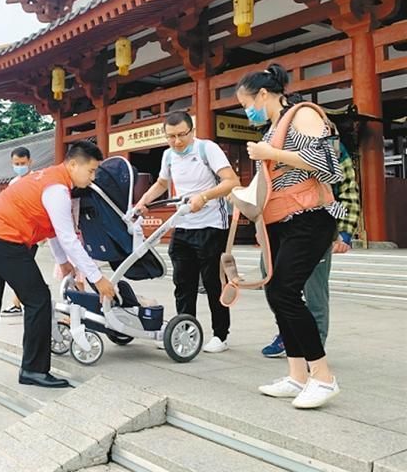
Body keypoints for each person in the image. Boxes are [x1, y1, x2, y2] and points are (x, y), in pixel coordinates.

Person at [0, 141, 116, 402]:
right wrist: (98, 278)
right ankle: (34, 369)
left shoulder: (46, 178)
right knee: (39, 299)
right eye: (90, 171)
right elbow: (68, 237)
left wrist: (63, 262)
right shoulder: (58, 188)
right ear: (73, 164)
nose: (92, 178)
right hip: (2, 240)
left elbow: (53, 230)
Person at [237, 63, 343, 409]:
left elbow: (330, 165)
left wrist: (272, 154)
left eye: (246, 103)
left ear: (264, 94)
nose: (246, 111)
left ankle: (323, 377)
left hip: (310, 217)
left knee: (284, 290)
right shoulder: (272, 129)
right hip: (281, 220)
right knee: (276, 291)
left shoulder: (302, 114)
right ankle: (297, 375)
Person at [134, 111, 239, 353]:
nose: (177, 141)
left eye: (182, 135)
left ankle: (220, 335)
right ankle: (184, 331)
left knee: (213, 282)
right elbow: (162, 183)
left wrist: (203, 197)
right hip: (182, 224)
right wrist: (143, 202)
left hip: (212, 224)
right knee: (183, 283)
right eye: (171, 136)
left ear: (192, 131)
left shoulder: (207, 149)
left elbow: (230, 181)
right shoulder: (168, 155)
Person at [262, 136, 361, 357]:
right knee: (275, 287)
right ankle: (288, 335)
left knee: (314, 291)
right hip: (279, 226)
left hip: (314, 224)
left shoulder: (331, 146)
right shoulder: (276, 140)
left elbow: (348, 189)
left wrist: (344, 233)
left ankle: (315, 347)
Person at [1, 146, 34, 317]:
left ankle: (19, 302)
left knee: (23, 269)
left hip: (32, 233)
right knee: (18, 269)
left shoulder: (36, 180)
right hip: (15, 233)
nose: (20, 166)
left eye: (23, 163)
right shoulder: (13, 184)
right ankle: (18, 301)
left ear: (30, 161)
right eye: (17, 163)